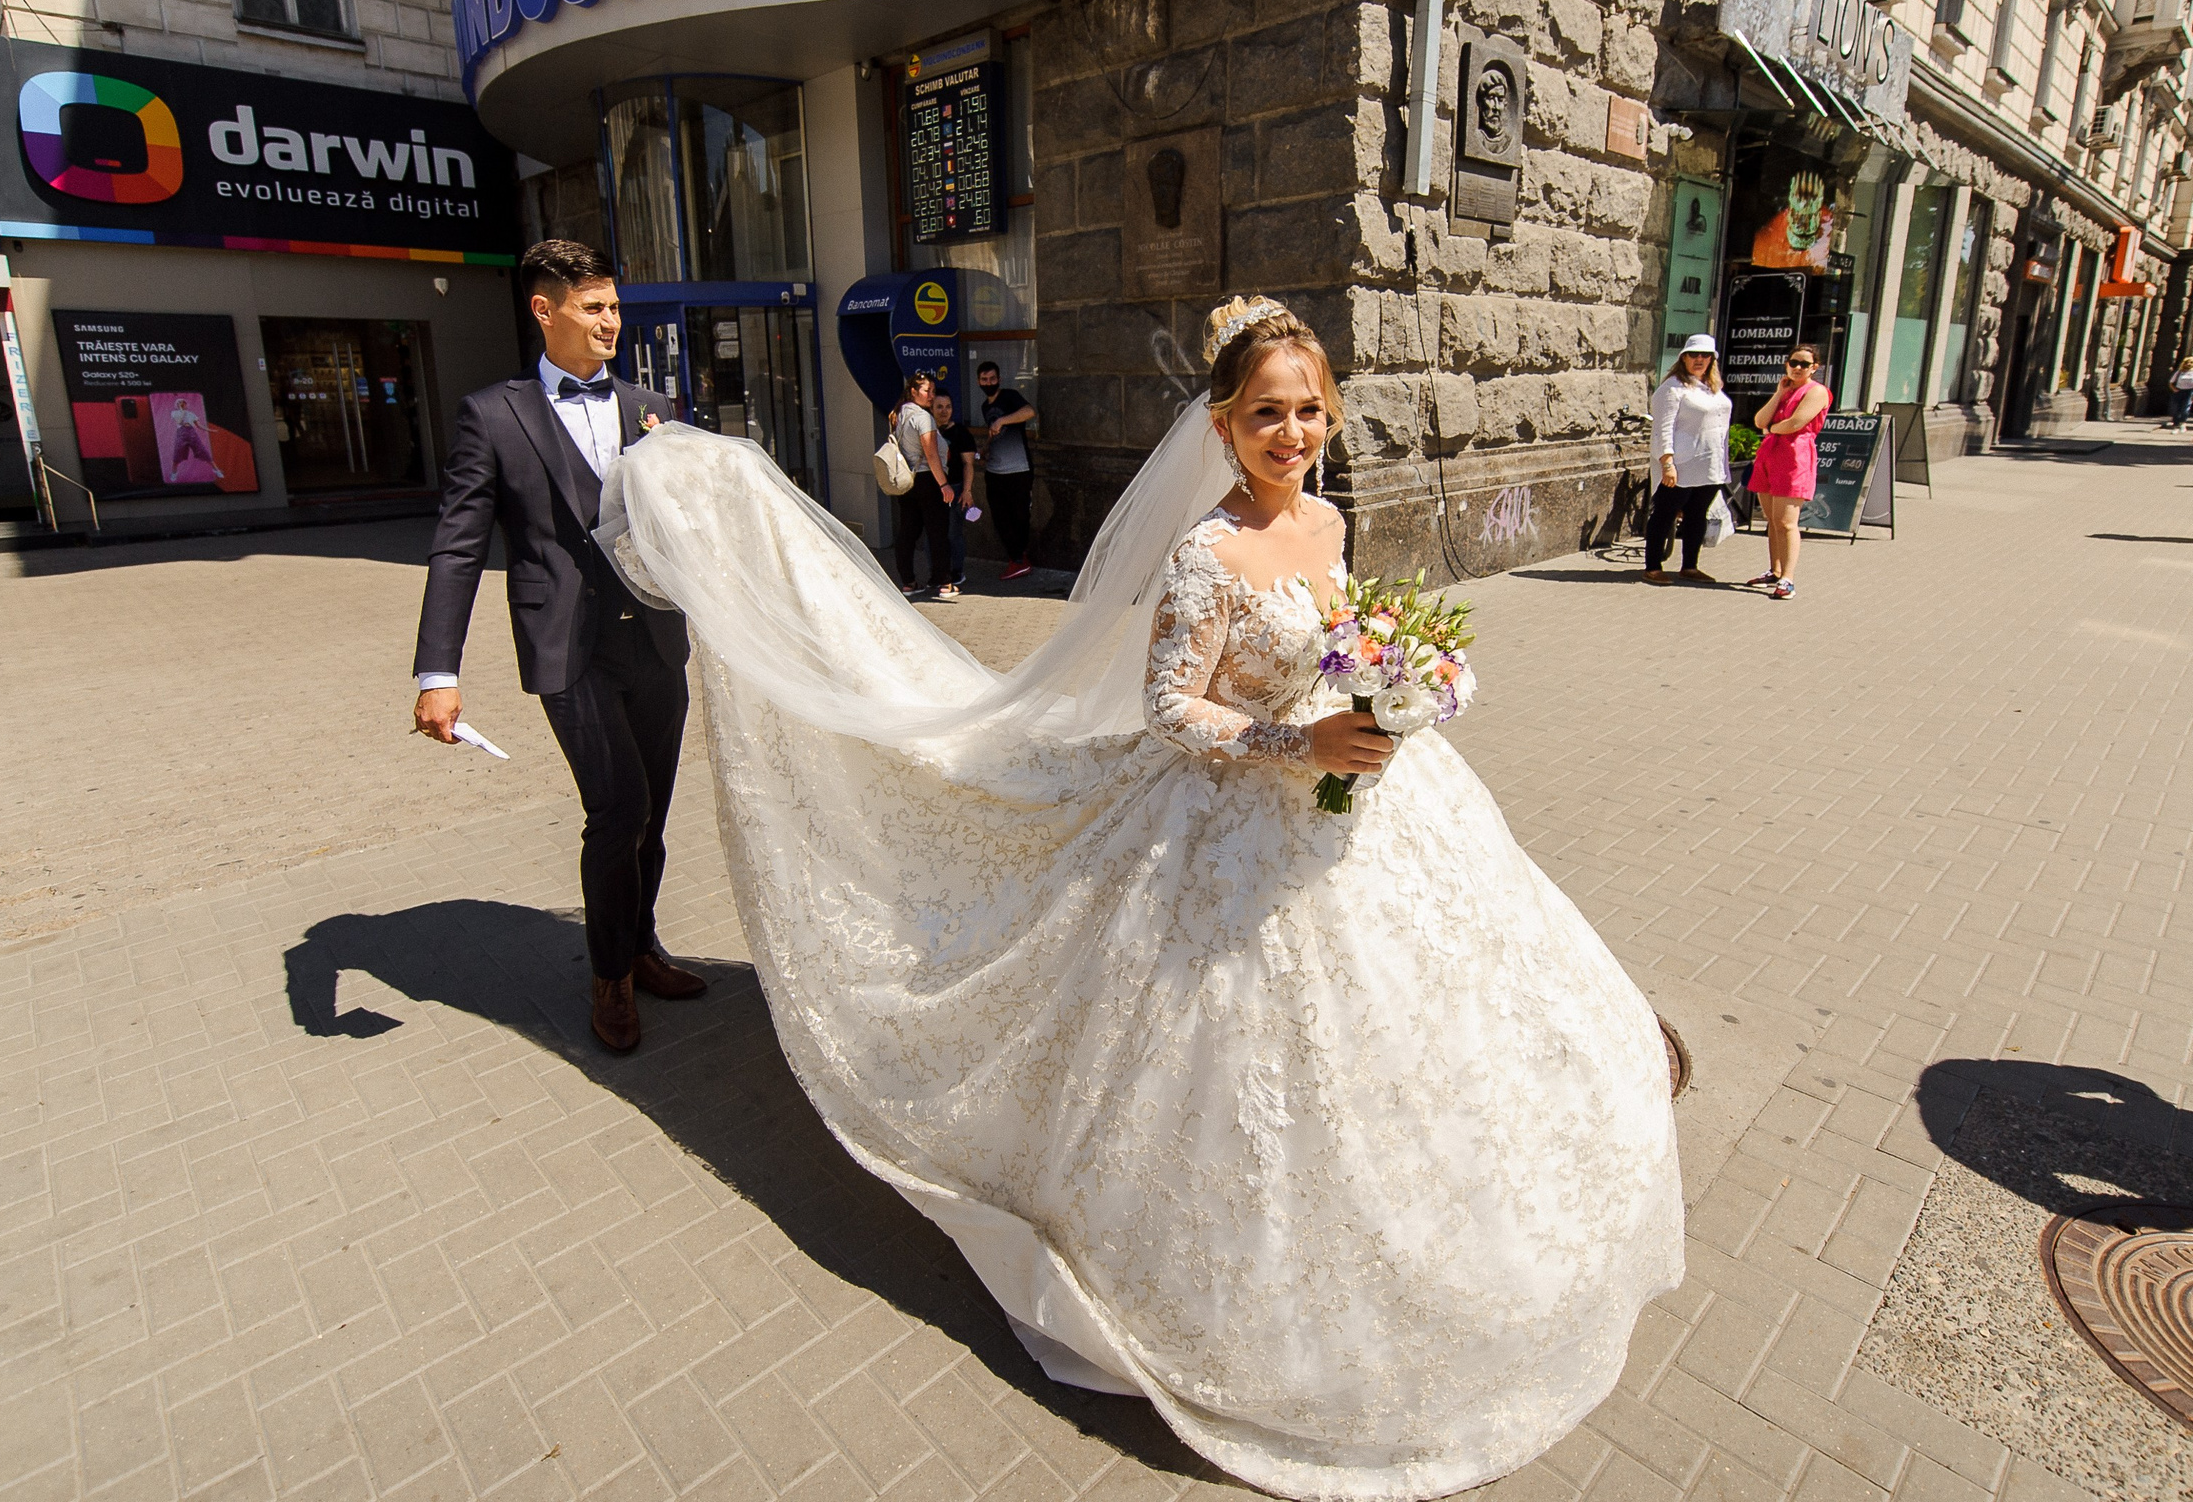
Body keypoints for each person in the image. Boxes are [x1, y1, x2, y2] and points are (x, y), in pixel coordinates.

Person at [595, 294, 1683, 1500]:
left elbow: (1355, 637)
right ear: (1222, 425)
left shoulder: (1327, 519)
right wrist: (1300, 747)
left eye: (1308, 409)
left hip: (1375, 820)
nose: (1292, 433)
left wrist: (1413, 679)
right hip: (1238, 832)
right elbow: (1176, 712)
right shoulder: (1204, 553)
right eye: (1266, 413)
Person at [409, 239, 705, 1056]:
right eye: (594, 308)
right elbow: (458, 547)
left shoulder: (655, 407)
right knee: (617, 810)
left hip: (654, 639)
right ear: (546, 310)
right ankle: (609, 976)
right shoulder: (492, 414)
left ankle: (641, 947)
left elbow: (690, 525)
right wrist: (439, 671)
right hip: (566, 649)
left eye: (615, 306)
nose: (612, 321)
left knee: (654, 816)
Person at [1643, 334, 1732, 585]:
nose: (1699, 360)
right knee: (1665, 514)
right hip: (1682, 464)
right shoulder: (1672, 388)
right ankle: (1653, 566)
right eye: (1694, 355)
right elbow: (1663, 428)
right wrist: (1667, 462)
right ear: (1683, 357)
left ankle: (1690, 566)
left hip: (1710, 465)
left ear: (1712, 360)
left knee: (1697, 515)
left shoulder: (1713, 388)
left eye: (1705, 355)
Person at [1744, 345, 1831, 601]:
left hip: (1795, 457)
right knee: (1772, 519)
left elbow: (1796, 422)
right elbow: (1759, 420)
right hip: (1770, 456)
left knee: (1786, 522)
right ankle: (1775, 569)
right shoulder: (1786, 389)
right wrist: (1778, 393)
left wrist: (1771, 429)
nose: (1797, 368)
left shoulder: (1817, 391)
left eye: (1804, 364)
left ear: (1815, 367)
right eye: (1794, 362)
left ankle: (1788, 578)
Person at [891, 373, 953, 596]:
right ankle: (944, 582)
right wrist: (944, 484)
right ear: (914, 392)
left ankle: (908, 582)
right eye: (927, 391)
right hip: (929, 479)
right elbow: (931, 453)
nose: (931, 396)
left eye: (933, 391)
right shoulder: (923, 418)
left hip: (908, 480)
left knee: (908, 531)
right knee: (937, 531)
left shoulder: (900, 414)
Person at [976, 361, 1036, 577]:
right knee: (1001, 519)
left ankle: (1020, 559)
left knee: (1020, 516)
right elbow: (995, 434)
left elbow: (1029, 411)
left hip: (1018, 469)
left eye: (992, 379)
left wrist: (1003, 419)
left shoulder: (1009, 396)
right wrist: (985, 449)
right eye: (984, 380)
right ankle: (1017, 558)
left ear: (999, 379)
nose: (988, 383)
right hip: (995, 471)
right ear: (978, 381)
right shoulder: (985, 406)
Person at [935, 387, 978, 598]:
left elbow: (969, 464)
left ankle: (956, 572)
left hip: (956, 488)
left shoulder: (960, 433)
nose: (944, 411)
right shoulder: (928, 432)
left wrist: (967, 491)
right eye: (939, 407)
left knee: (953, 532)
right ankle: (938, 574)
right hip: (933, 490)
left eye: (948, 407)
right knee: (934, 534)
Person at [2168, 354, 2193, 429]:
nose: (2189, 364)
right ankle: (2176, 422)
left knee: (2185, 408)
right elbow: (2171, 382)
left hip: (2189, 392)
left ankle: (2183, 421)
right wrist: (2174, 389)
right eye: (2187, 362)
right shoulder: (2179, 372)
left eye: (2191, 362)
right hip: (2179, 391)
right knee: (2175, 407)